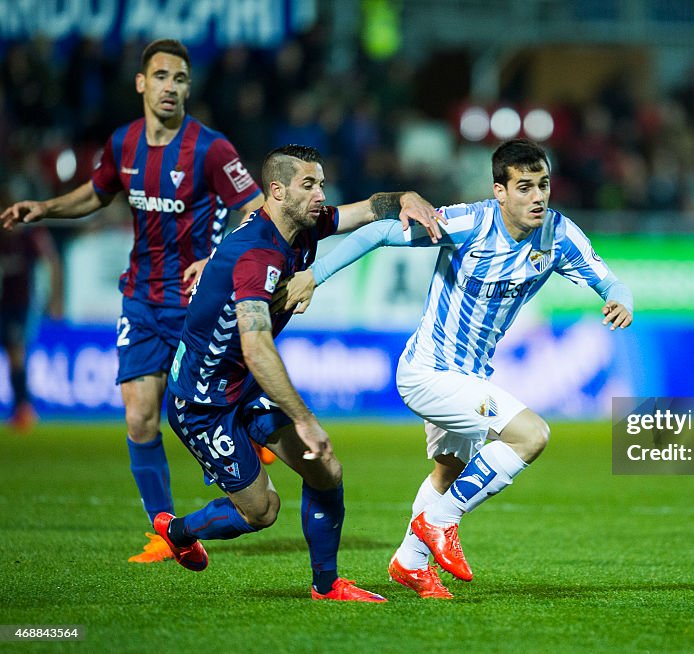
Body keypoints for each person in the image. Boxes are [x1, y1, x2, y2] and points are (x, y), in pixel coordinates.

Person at [279, 138, 634, 598]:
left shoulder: (558, 235)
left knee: (449, 469)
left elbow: (609, 280)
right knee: (531, 435)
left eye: (543, 185)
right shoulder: (471, 222)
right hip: (428, 372)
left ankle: (409, 562)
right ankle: (439, 521)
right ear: (499, 191)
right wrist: (314, 275)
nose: (538, 197)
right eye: (524, 187)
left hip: (471, 377)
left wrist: (618, 298)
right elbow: (378, 232)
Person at [0, 39, 266, 562]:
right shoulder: (123, 144)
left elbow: (257, 208)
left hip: (199, 305)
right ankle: (165, 531)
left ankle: (257, 441)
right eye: (162, 76)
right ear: (142, 83)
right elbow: (97, 192)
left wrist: (218, 262)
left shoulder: (212, 149)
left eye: (181, 78)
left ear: (189, 87)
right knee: (140, 418)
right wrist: (45, 208)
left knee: (217, 405)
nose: (171, 86)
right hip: (142, 300)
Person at [155, 144, 441, 601]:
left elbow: (367, 210)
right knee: (262, 512)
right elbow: (255, 346)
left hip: (244, 387)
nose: (320, 194)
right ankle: (180, 532)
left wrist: (404, 196)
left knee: (325, 468)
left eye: (321, 183)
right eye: (309, 185)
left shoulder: (303, 227)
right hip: (202, 402)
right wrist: (305, 419)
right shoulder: (256, 254)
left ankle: (326, 586)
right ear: (277, 191)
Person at [0, 225, 63, 431]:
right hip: (5, 304)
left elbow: (50, 260)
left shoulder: (27, 237)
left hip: (19, 305)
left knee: (16, 353)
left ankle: (23, 407)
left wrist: (54, 299)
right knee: (14, 355)